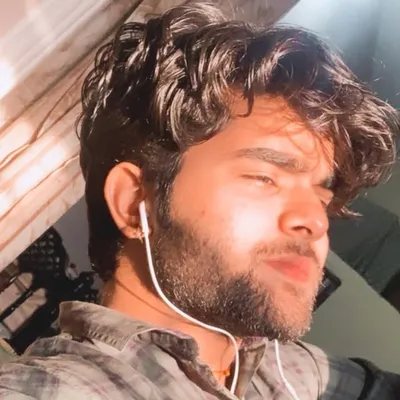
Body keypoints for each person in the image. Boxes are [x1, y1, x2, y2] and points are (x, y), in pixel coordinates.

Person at [0, 3, 399, 399]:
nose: (315, 220)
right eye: (265, 178)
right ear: (135, 202)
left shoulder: (288, 374)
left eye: (321, 198)